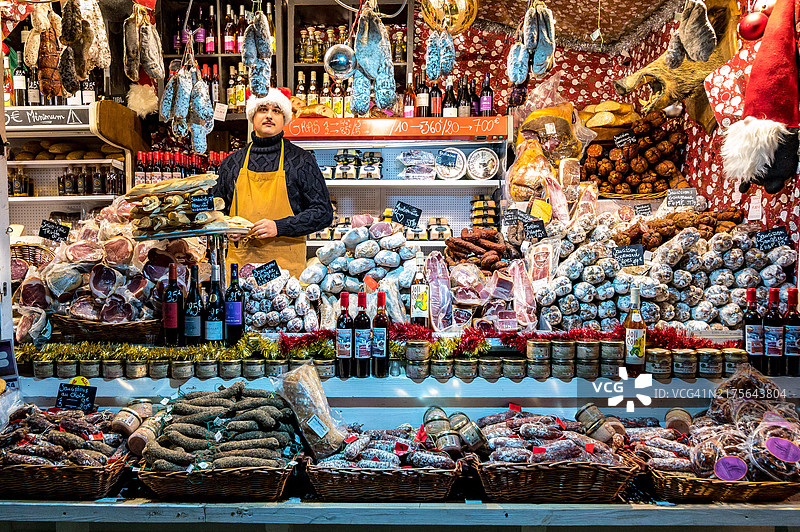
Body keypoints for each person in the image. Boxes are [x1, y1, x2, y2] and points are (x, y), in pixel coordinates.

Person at [212, 87, 333, 277]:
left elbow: (323, 213)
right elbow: (215, 209)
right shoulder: (231, 163)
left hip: (285, 272)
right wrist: (227, 227)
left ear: (284, 118)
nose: (269, 115)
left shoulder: (301, 160)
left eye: (276, 111)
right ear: (252, 116)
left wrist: (279, 227)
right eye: (262, 109)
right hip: (241, 270)